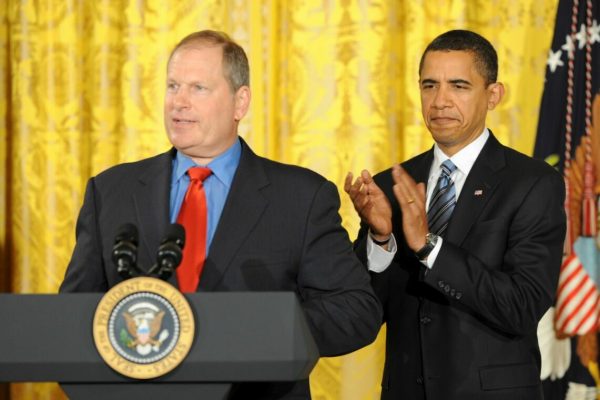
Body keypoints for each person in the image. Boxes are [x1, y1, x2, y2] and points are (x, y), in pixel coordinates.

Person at [60, 30, 382, 399]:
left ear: (239, 102)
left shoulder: (301, 197)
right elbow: (74, 320)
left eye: (198, 88)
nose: (178, 102)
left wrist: (263, 330)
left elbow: (356, 311)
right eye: (172, 86)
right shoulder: (111, 191)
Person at [345, 30, 566, 400]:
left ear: (492, 95)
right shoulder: (393, 183)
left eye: (458, 86)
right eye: (429, 85)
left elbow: (522, 306)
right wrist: (380, 240)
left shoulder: (532, 183)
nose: (440, 101)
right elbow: (363, 313)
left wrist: (430, 247)